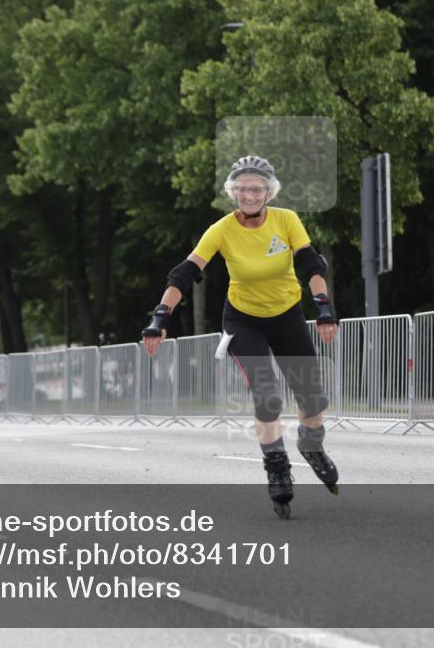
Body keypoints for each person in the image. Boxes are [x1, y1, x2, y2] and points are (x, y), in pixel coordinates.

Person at [142, 156, 339, 519]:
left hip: (287, 315)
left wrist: (323, 307)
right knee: (267, 396)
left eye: (257, 188)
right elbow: (184, 274)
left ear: (268, 192)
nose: (249, 194)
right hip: (243, 320)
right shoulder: (220, 230)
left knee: (313, 398)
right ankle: (276, 466)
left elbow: (310, 264)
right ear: (233, 192)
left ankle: (311, 446)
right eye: (243, 188)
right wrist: (159, 318)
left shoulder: (287, 220)